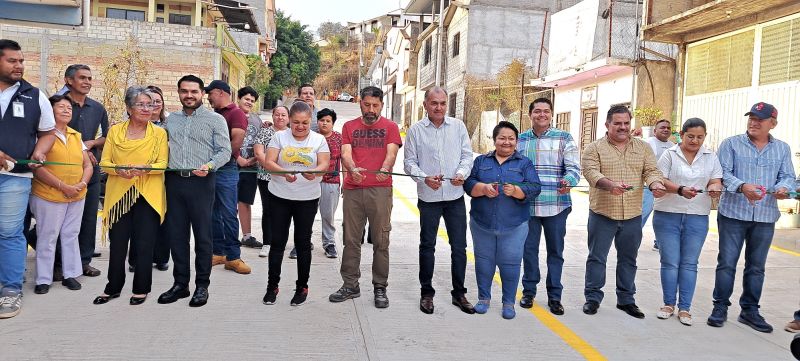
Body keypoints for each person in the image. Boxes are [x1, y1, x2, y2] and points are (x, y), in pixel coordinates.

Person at [707, 102, 796, 333]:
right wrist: (742, 186)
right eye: (752, 118)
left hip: (765, 215)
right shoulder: (731, 144)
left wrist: (783, 188)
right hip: (733, 214)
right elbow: (722, 173)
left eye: (760, 119)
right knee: (726, 263)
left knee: (756, 267)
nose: (754, 122)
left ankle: (749, 310)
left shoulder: (782, 149)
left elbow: (788, 176)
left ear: (772, 124)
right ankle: (720, 307)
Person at [581, 105, 666, 319]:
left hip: (632, 214)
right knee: (597, 258)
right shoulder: (594, 148)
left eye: (626, 123)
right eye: (617, 123)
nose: (622, 127)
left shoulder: (643, 148)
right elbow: (591, 172)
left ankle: (626, 299)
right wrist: (609, 185)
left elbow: (651, 171)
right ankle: (592, 298)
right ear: (607, 124)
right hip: (603, 213)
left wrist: (655, 184)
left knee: (629, 259)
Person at [157, 75, 231, 308]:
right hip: (174, 182)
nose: (189, 95)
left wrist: (209, 166)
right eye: (184, 91)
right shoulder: (171, 121)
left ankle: (202, 286)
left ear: (202, 94)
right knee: (177, 235)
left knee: (202, 236)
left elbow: (224, 151)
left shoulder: (215, 120)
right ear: (178, 93)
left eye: (194, 91)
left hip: (202, 183)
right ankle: (180, 284)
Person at [403, 87, 475, 315]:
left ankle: (459, 293)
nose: (439, 107)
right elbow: (409, 163)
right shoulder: (415, 131)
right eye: (434, 103)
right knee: (427, 246)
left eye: (443, 103)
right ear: (425, 104)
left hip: (455, 197)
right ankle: (426, 293)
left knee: (459, 247)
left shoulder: (458, 127)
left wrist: (462, 173)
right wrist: (425, 178)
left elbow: (467, 155)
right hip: (429, 197)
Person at [94, 86, 168, 306]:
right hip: (119, 194)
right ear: (128, 108)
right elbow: (105, 162)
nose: (147, 109)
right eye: (141, 104)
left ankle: (141, 289)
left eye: (151, 104)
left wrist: (144, 169)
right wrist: (119, 170)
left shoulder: (159, 133)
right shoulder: (115, 131)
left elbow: (162, 164)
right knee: (117, 244)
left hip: (148, 194)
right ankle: (113, 287)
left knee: (145, 244)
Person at [329, 86, 402, 309]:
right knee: (351, 240)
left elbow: (391, 153)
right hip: (353, 188)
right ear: (360, 103)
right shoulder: (349, 126)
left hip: (380, 190)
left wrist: (385, 169)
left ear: (381, 104)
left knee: (381, 240)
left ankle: (380, 286)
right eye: (367, 104)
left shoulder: (390, 127)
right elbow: (346, 153)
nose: (371, 110)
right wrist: (351, 168)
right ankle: (350, 284)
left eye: (375, 105)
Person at [0, 39, 56, 319]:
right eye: (12, 61)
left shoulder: (34, 95)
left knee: (10, 233)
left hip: (15, 178)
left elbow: (48, 132)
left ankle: (10, 290)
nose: (19, 66)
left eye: (21, 61)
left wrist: (39, 152)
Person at [464, 121, 540, 319]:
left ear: (516, 141)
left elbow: (535, 187)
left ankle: (508, 303)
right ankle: (483, 299)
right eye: (502, 138)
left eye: (511, 139)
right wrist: (482, 188)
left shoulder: (524, 163)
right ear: (495, 140)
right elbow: (469, 182)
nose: (506, 142)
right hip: (482, 223)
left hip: (514, 224)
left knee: (511, 263)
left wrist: (517, 191)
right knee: (483, 262)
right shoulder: (481, 161)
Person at [652, 118, 723, 326]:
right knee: (670, 262)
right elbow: (660, 178)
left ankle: (685, 308)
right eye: (690, 136)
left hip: (697, 216)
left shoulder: (711, 156)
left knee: (690, 263)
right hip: (667, 213)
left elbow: (716, 179)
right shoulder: (669, 154)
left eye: (699, 137)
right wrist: (680, 190)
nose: (695, 140)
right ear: (681, 134)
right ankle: (667, 304)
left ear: (705, 137)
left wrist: (714, 187)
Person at [261, 102, 330, 306]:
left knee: (303, 243)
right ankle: (272, 286)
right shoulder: (279, 137)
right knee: (278, 243)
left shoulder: (318, 140)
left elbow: (325, 164)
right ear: (289, 120)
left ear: (311, 122)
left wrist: (316, 172)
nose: (300, 127)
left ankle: (302, 287)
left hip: (307, 199)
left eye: (305, 123)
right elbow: (269, 161)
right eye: (296, 122)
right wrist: (283, 172)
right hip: (279, 196)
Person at [517, 98, 581, 315]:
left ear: (551, 114)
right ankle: (529, 291)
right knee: (529, 250)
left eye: (546, 111)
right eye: (537, 111)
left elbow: (573, 169)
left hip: (556, 205)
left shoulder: (564, 138)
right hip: (528, 205)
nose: (541, 115)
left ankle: (555, 296)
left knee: (556, 252)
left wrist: (568, 182)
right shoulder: (520, 140)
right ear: (530, 114)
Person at [29, 94, 93, 295]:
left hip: (77, 194)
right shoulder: (43, 135)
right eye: (61, 107)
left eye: (69, 108)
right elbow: (37, 168)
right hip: (49, 194)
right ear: (50, 111)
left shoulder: (76, 135)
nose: (67, 110)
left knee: (70, 234)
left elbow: (87, 164)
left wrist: (82, 184)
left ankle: (70, 274)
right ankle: (43, 279)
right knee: (47, 236)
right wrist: (62, 186)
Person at [58, 64, 109, 277]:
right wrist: (80, 149)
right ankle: (58, 263)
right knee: (61, 220)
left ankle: (83, 261)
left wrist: (90, 143)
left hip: (92, 173)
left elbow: (107, 137)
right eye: (82, 78)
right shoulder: (58, 105)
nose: (87, 82)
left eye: (89, 78)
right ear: (69, 80)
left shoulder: (97, 108)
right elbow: (50, 133)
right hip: (62, 172)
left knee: (88, 219)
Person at [205, 80, 250, 274]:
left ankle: (233, 256)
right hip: (210, 169)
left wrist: (216, 160)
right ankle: (219, 252)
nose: (208, 97)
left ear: (221, 92)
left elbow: (236, 142)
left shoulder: (236, 113)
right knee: (213, 212)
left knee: (228, 213)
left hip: (226, 169)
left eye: (210, 93)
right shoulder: (214, 114)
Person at [289, 108, 341, 259]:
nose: (324, 123)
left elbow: (343, 158)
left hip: (331, 182)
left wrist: (344, 182)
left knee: (328, 215)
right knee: (304, 215)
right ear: (317, 122)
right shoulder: (310, 137)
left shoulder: (339, 138)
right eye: (322, 120)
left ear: (332, 123)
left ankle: (329, 243)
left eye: (328, 121)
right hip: (308, 182)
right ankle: (301, 243)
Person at [128, 85, 170, 273]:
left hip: (163, 177)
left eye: (157, 102)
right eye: (149, 102)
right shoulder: (131, 125)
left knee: (162, 220)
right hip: (135, 179)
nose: (152, 106)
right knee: (138, 222)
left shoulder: (169, 124)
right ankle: (135, 258)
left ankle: (161, 257)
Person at [254, 105, 289, 258]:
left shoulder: (292, 133)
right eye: (277, 114)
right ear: (272, 116)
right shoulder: (265, 131)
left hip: (288, 178)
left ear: (288, 118)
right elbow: (258, 152)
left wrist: (285, 172)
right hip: (266, 177)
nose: (280, 117)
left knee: (285, 211)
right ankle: (267, 243)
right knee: (268, 210)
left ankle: (280, 242)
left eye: (283, 115)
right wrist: (273, 168)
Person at [235, 86, 264, 249]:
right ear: (239, 98)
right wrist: (238, 158)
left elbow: (261, 142)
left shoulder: (256, 120)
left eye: (252, 101)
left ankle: (247, 236)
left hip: (250, 167)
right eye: (246, 99)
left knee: (245, 201)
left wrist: (252, 160)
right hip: (231, 165)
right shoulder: (230, 115)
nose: (249, 102)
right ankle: (228, 235)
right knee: (229, 201)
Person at [642, 119, 674, 251]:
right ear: (655, 131)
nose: (666, 129)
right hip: (649, 186)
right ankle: (633, 237)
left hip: (666, 187)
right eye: (662, 127)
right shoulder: (648, 143)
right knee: (643, 212)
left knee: (664, 215)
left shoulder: (673, 145)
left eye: (668, 127)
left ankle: (659, 242)